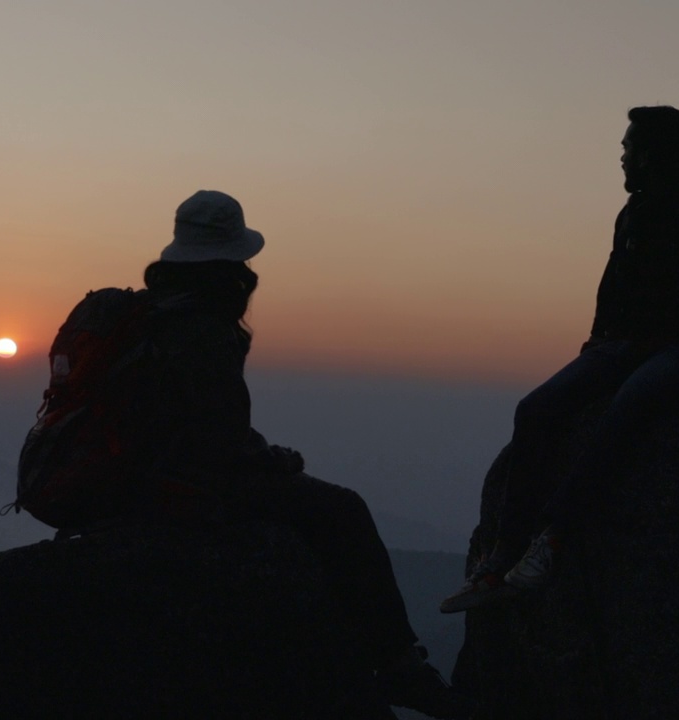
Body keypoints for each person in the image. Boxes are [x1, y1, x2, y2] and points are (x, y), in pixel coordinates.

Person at [101, 190, 476, 719]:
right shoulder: (202, 326)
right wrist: (274, 461)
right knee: (344, 509)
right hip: (183, 487)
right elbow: (218, 439)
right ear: (230, 260)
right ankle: (397, 664)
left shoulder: (150, 313)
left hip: (137, 480)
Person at [441, 106, 679, 613]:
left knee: (624, 412)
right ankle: (501, 558)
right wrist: (597, 342)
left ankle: (553, 539)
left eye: (628, 147)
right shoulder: (637, 210)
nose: (621, 157)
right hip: (623, 345)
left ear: (651, 153)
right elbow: (615, 282)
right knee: (535, 410)